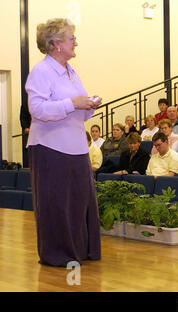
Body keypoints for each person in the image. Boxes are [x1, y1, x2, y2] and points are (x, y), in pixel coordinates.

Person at [25, 18, 101, 266]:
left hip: (76, 144)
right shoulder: (41, 71)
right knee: (56, 203)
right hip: (50, 147)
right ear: (56, 43)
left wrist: (87, 105)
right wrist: (73, 104)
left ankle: (81, 250)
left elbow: (75, 107)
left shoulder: (71, 71)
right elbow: (36, 109)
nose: (75, 42)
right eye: (71, 38)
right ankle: (58, 253)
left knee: (80, 200)